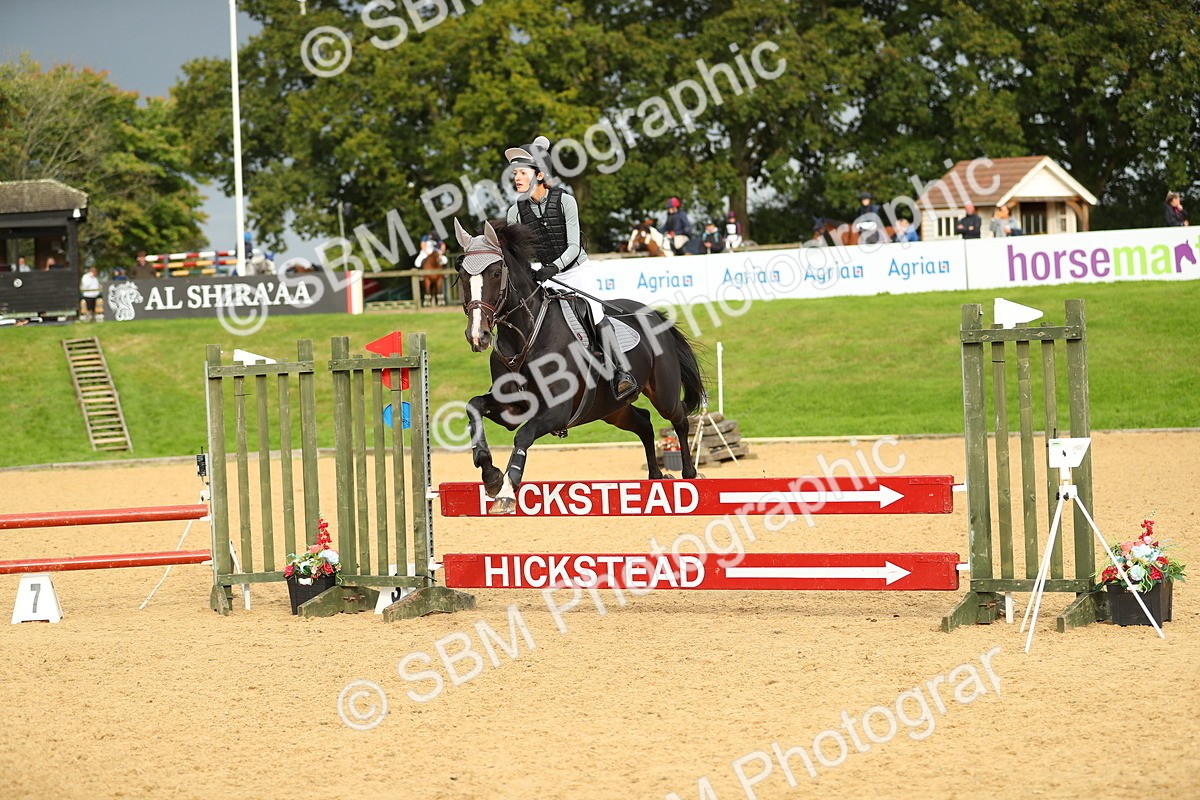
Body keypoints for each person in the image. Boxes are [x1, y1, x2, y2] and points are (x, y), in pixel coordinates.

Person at [504, 135, 637, 401]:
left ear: (539, 175)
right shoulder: (514, 213)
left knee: (594, 311)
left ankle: (621, 373)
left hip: (575, 270)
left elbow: (574, 246)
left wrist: (553, 268)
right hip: (543, 274)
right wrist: (531, 271)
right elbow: (517, 255)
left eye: (522, 172)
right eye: (515, 173)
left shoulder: (565, 201)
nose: (516, 177)